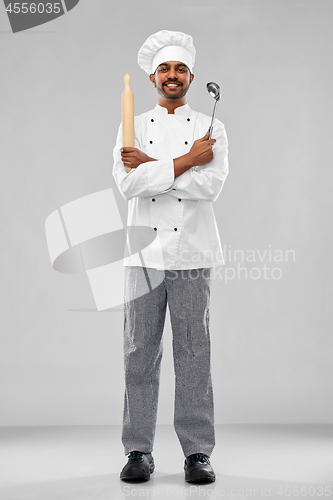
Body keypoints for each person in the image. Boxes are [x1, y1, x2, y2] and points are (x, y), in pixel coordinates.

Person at [112, 30, 229, 483]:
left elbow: (211, 187)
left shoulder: (211, 127)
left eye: (180, 69)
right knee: (139, 351)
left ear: (191, 76)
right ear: (152, 77)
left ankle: (198, 452)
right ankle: (138, 449)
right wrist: (185, 162)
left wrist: (153, 168)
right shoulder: (131, 126)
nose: (173, 75)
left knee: (194, 350)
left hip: (194, 252)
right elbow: (127, 185)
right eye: (165, 69)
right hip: (142, 254)